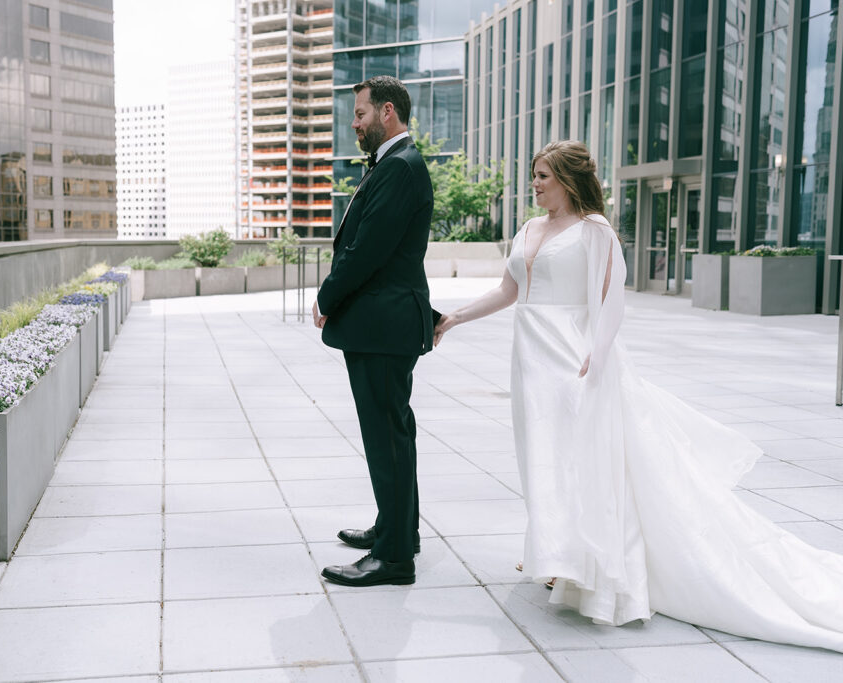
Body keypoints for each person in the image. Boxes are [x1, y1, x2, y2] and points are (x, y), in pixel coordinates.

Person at [434, 140, 843, 651]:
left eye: (543, 176)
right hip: (530, 363)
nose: (534, 184)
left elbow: (612, 299)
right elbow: (508, 292)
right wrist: (453, 319)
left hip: (575, 360)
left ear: (567, 179)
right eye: (534, 174)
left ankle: (585, 561)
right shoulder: (528, 229)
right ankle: (555, 553)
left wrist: (598, 355)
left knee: (582, 460)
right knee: (542, 457)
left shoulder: (595, 231)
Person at [311, 75, 435, 587]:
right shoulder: (395, 165)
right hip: (383, 324)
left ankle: (394, 557)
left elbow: (368, 251)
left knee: (387, 438)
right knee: (392, 434)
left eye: (359, 115)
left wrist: (325, 296)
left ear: (387, 112)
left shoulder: (400, 168)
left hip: (383, 325)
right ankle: (396, 529)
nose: (354, 126)